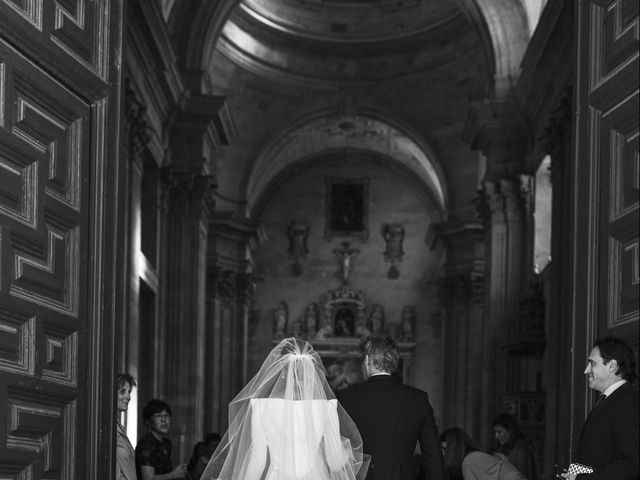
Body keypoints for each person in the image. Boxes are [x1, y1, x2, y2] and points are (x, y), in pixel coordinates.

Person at [200, 337, 369, 479]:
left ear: (281, 370)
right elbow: (334, 462)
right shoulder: (326, 408)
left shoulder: (261, 406)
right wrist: (346, 451)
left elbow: (257, 458)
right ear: (310, 371)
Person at [337, 334, 443, 480]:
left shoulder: (347, 398)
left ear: (367, 361)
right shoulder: (418, 399)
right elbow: (433, 457)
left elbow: (336, 454)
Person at [561, 336, 639, 480]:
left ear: (611, 365)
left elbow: (630, 465)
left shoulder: (628, 402)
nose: (586, 370)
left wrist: (580, 479)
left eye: (592, 363)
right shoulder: (610, 399)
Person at [440, 427, 525, 480]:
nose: (443, 454)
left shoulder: (471, 459)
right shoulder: (475, 457)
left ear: (455, 446)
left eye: (444, 448)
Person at [136, 399, 188, 480]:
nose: (164, 420)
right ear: (148, 421)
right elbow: (148, 479)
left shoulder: (166, 443)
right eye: (158, 416)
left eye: (167, 416)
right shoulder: (146, 445)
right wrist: (173, 475)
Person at [492, 413, 536, 480]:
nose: (496, 436)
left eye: (499, 432)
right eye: (495, 432)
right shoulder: (500, 450)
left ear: (510, 431)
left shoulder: (521, 451)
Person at [116, 373, 137, 480]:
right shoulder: (107, 426)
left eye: (129, 392)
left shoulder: (120, 427)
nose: (128, 396)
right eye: (122, 391)